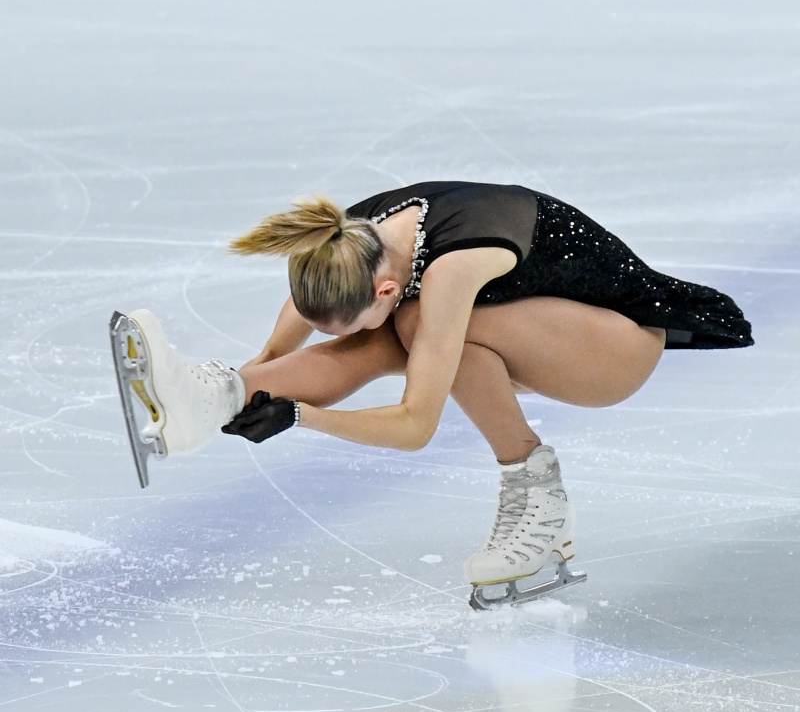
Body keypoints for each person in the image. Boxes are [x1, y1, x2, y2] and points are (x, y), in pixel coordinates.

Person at [114, 181, 753, 601]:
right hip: (541, 328)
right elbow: (295, 334)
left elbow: (415, 424)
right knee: (384, 338)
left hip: (615, 349)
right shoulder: (348, 243)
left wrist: (301, 416)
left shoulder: (451, 269)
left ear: (384, 289)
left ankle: (537, 494)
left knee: (415, 330)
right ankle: (205, 398)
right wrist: (240, 386)